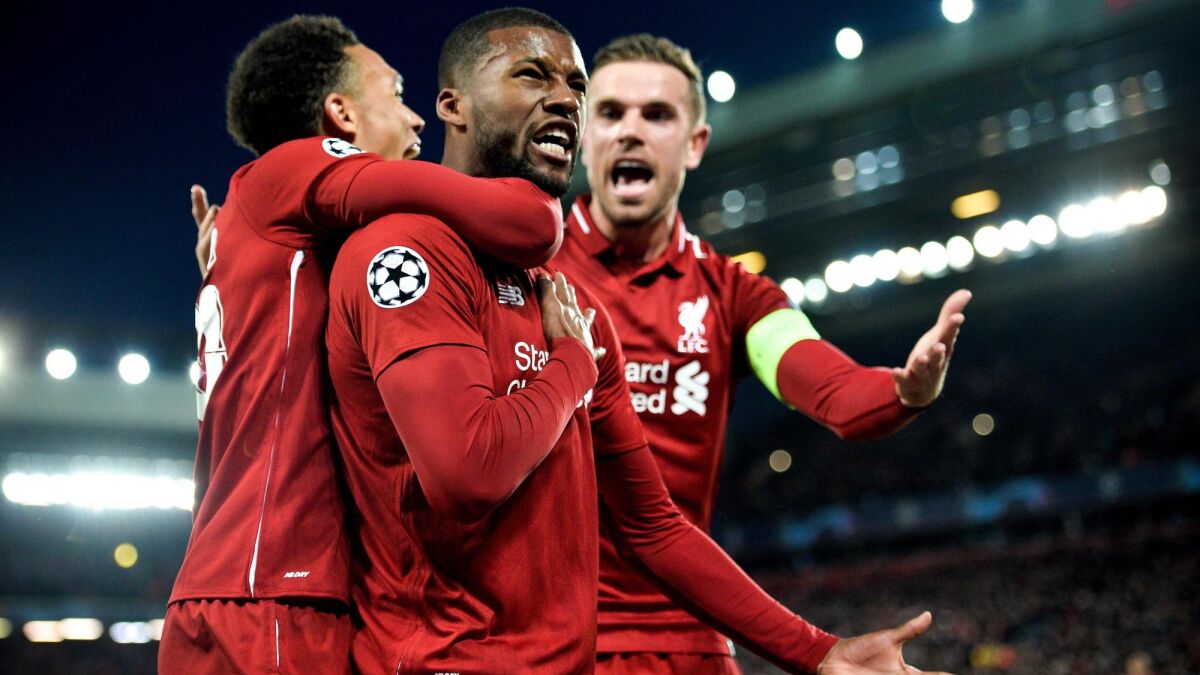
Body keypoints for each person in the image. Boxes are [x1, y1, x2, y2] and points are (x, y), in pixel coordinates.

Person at [324, 8, 949, 675]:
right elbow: (466, 473)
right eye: (537, 77)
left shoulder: (665, 298)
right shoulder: (416, 255)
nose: (570, 102)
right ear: (454, 105)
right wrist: (571, 363)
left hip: (648, 644)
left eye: (579, 86)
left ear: (695, 143)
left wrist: (819, 651)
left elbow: (659, 519)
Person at [557, 34, 972, 674]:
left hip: (689, 646)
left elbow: (830, 388)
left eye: (657, 114)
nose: (630, 131)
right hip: (551, 639)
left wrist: (902, 390)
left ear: (695, 143)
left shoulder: (735, 294)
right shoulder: (527, 269)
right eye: (611, 113)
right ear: (585, 136)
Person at [163, 15, 564, 674]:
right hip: (279, 593)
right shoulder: (296, 165)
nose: (416, 118)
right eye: (397, 92)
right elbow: (529, 222)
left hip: (232, 583)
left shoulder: (254, 222)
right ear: (341, 114)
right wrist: (570, 362)